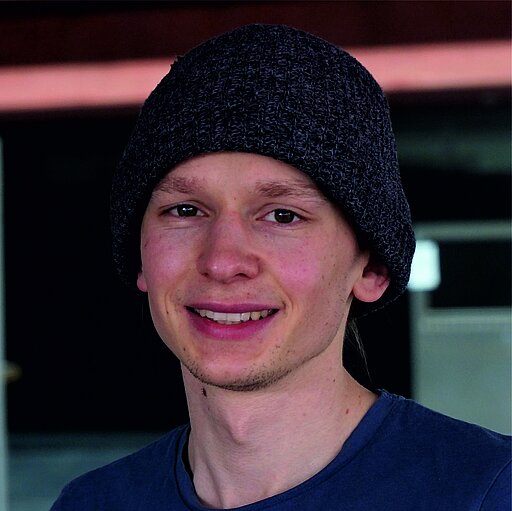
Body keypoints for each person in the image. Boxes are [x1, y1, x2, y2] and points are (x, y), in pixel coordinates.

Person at [50, 23, 510, 510]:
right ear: (141, 256)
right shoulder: (91, 503)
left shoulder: (488, 492)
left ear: (371, 266)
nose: (222, 261)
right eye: (185, 210)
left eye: (282, 216)